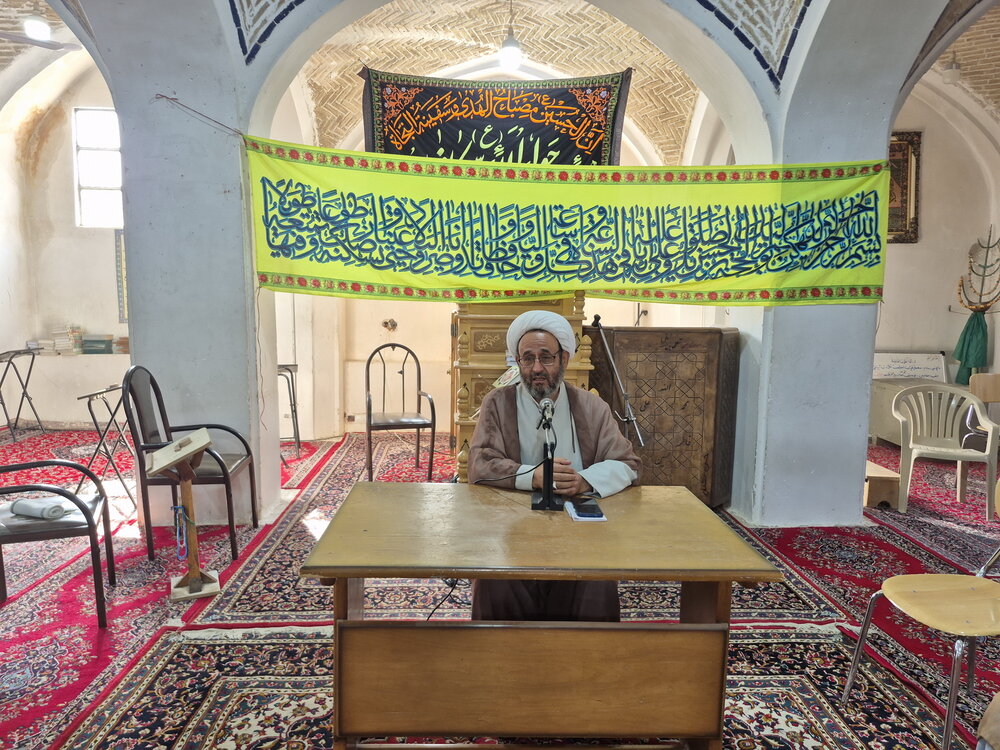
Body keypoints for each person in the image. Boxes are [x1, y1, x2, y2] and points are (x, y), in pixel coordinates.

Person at [468, 309, 640, 622]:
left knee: (597, 585)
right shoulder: (498, 402)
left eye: (546, 357)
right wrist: (533, 476)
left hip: (579, 536)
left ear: (564, 359)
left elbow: (627, 463)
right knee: (494, 583)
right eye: (527, 358)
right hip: (512, 531)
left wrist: (584, 481)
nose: (537, 368)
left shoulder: (591, 406)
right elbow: (480, 464)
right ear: (517, 362)